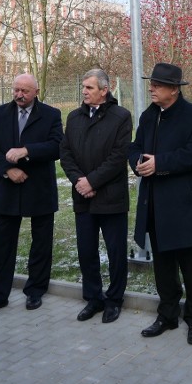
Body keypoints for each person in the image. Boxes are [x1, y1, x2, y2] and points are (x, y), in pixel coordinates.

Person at [129, 63, 192, 346]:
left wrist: (160, 163)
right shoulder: (149, 115)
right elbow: (135, 146)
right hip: (155, 203)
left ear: (174, 90)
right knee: (163, 266)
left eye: (158, 85)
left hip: (185, 205)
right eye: (151, 83)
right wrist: (138, 163)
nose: (151, 88)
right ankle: (167, 314)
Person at [0, 73, 62, 317]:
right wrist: (7, 169)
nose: (19, 95)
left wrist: (27, 151)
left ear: (36, 91)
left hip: (40, 189)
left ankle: (35, 290)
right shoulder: (0, 114)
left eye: (25, 90)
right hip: (7, 188)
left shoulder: (51, 115)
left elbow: (57, 146)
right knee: (2, 245)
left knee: (41, 244)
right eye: (16, 90)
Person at [59, 69, 132, 324]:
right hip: (83, 197)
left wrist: (92, 181)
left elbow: (118, 157)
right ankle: (93, 298)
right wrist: (79, 182)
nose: (84, 91)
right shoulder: (74, 117)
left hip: (111, 197)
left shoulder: (121, 116)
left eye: (89, 87)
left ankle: (114, 300)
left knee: (115, 252)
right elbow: (65, 153)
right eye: (83, 87)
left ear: (104, 90)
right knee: (86, 251)